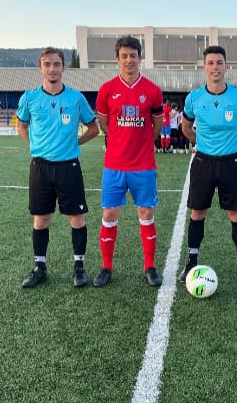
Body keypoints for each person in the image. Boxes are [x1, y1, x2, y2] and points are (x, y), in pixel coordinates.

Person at [16, 47, 100, 288]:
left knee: (76, 218)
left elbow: (93, 128)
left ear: (64, 68)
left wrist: (75, 141)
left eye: (56, 64)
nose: (52, 68)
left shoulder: (75, 98)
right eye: (47, 64)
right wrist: (35, 145)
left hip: (68, 167)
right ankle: (40, 267)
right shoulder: (29, 98)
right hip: (41, 168)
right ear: (40, 68)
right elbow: (21, 125)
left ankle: (79, 267)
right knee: (41, 219)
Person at [178, 45, 237, 285]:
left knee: (236, 214)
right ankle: (191, 262)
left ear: (226, 66)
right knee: (197, 212)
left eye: (219, 62)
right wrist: (201, 143)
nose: (215, 67)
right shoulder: (194, 98)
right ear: (204, 67)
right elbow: (185, 128)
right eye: (211, 62)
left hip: (231, 163)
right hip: (203, 162)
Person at [94, 36, 164, 287]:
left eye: (133, 55)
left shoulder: (152, 90)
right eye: (124, 56)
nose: (129, 60)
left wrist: (145, 140)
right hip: (114, 165)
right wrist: (117, 139)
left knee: (146, 213)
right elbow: (104, 123)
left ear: (140, 58)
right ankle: (106, 267)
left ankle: (150, 267)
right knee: (110, 213)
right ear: (117, 59)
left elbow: (157, 124)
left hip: (143, 165)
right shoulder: (107, 90)